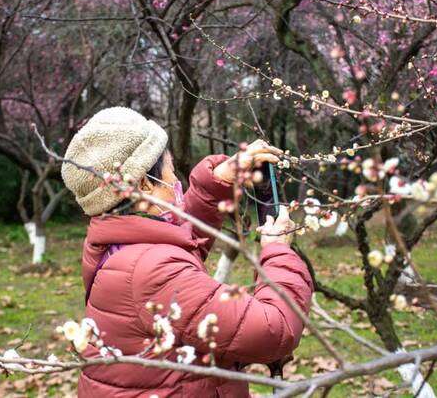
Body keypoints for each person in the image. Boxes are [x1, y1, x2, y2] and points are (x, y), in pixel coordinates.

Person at [61, 107, 313, 397]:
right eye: (169, 169)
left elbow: (178, 245)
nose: (174, 178)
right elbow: (273, 331)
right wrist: (278, 250)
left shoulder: (115, 244)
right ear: (144, 184)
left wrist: (216, 183)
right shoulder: (152, 271)